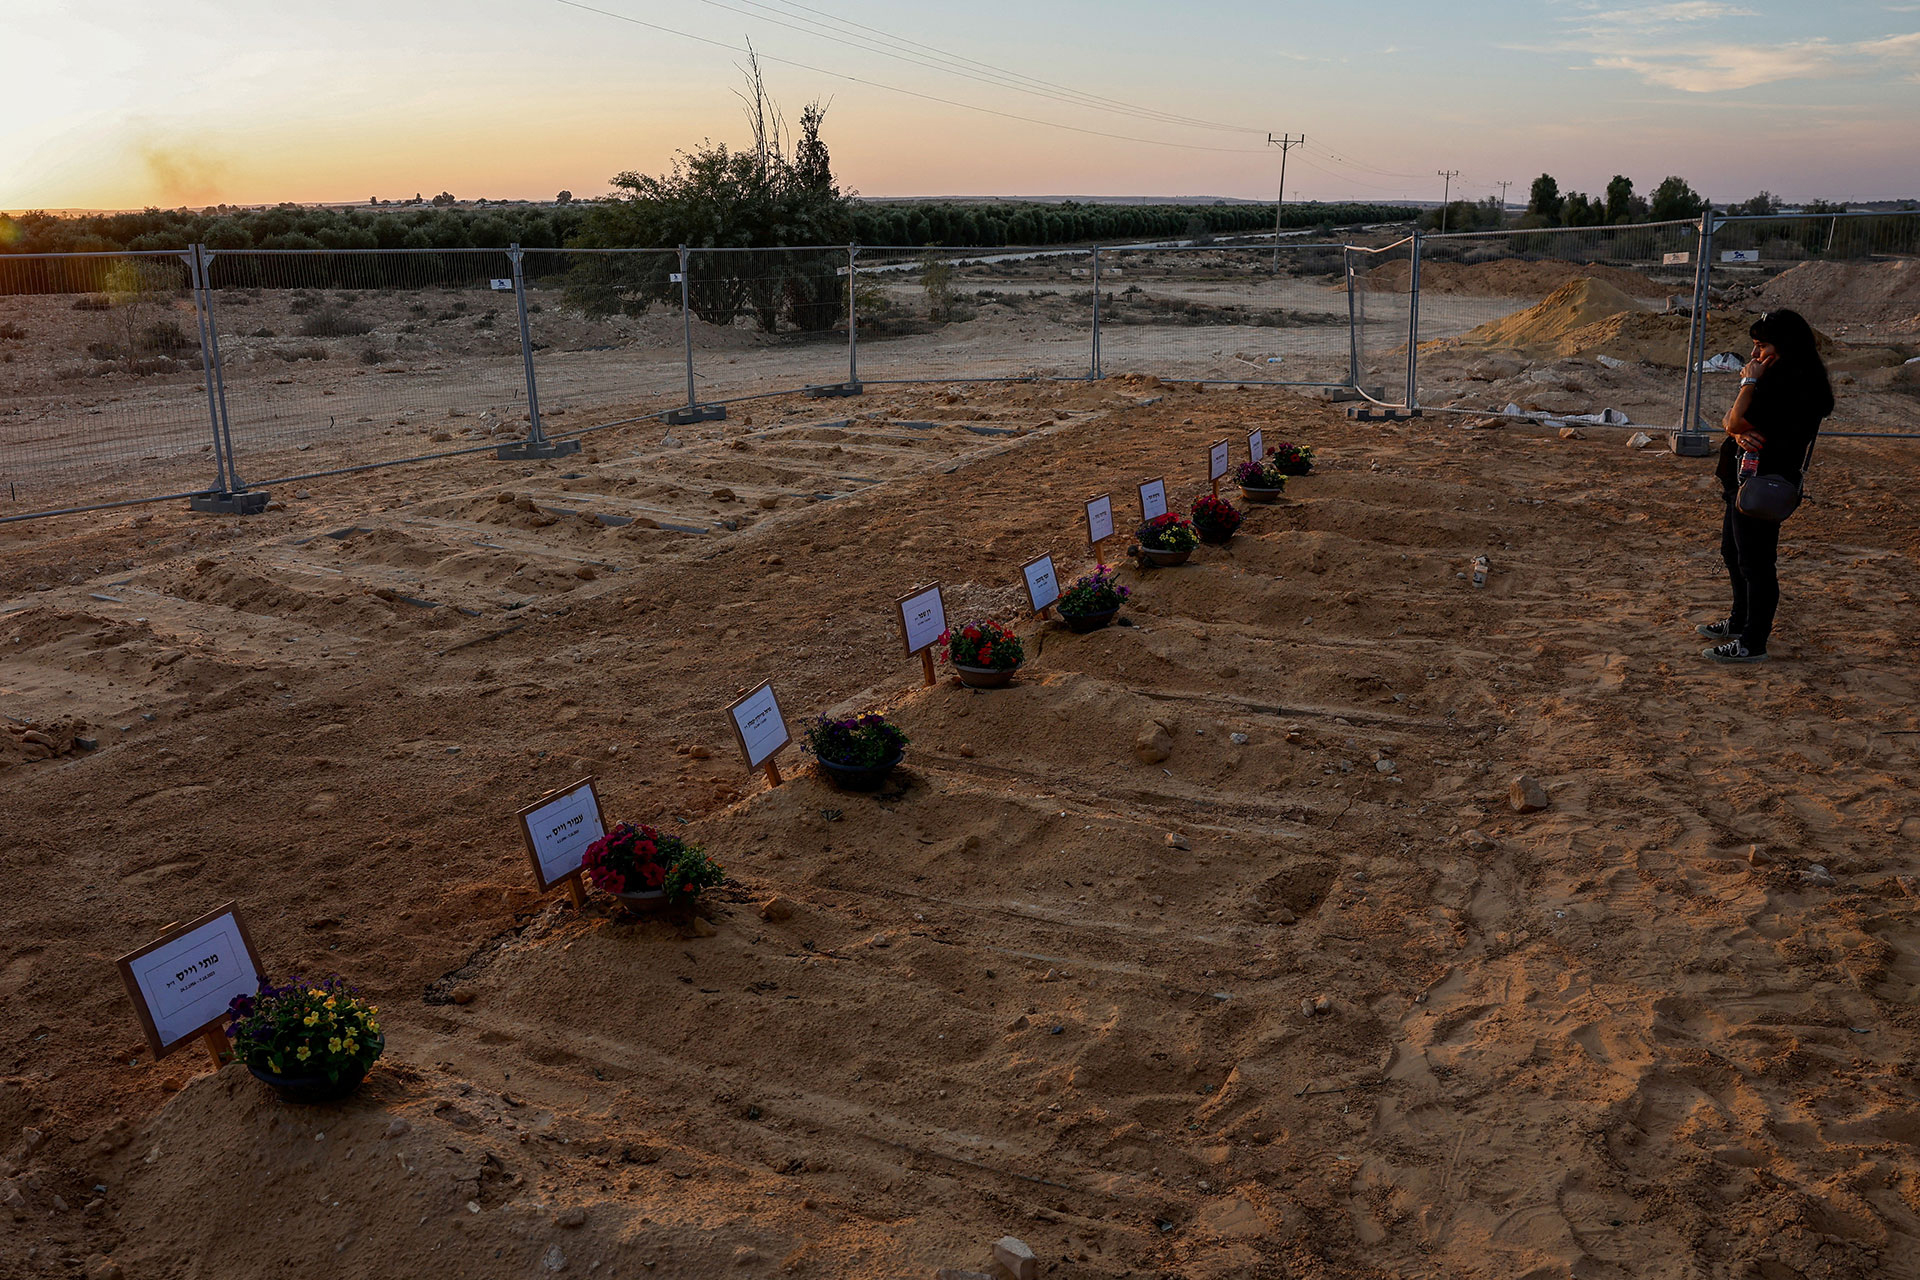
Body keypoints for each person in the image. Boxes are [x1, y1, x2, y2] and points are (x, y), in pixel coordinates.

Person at [1699, 309, 1833, 663]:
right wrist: (1737, 427)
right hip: (1746, 479)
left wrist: (1748, 383)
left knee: (1756, 563)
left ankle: (1752, 642)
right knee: (1734, 552)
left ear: (1785, 345)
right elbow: (1734, 424)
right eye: (1754, 347)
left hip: (1763, 482)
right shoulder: (1787, 375)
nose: (1755, 355)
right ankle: (1741, 621)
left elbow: (1734, 420)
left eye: (1762, 346)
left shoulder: (1788, 381)